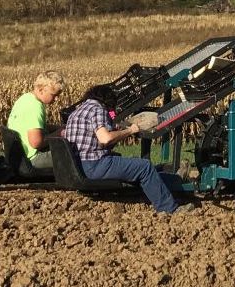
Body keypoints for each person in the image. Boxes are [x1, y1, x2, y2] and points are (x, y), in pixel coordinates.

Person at [61, 83, 193, 214]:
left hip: (79, 165)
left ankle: (177, 181)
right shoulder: (98, 109)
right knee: (144, 167)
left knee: (136, 168)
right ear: (107, 101)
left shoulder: (77, 112)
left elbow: (93, 140)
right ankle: (169, 208)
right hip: (95, 165)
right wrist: (130, 130)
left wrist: (116, 132)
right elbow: (105, 139)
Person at [7, 70, 65, 170]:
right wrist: (61, 133)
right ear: (41, 90)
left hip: (19, 156)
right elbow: (36, 142)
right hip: (32, 159)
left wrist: (59, 128)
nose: (56, 99)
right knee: (73, 154)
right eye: (54, 95)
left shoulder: (25, 98)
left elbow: (37, 126)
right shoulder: (35, 107)